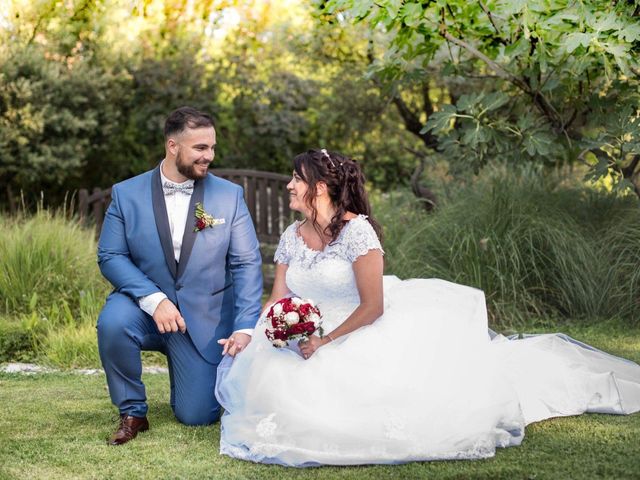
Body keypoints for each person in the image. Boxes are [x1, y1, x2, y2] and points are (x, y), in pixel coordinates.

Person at [214, 148, 640, 466]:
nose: (289, 185)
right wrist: (261, 330)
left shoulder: (357, 234)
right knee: (275, 388)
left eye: (295, 179)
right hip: (305, 335)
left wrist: (324, 341)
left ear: (319, 188)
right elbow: (279, 297)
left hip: (353, 329)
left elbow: (373, 306)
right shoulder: (293, 233)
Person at [97, 106, 262, 445]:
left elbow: (246, 263)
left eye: (212, 147)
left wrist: (245, 325)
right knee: (112, 323)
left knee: (197, 416)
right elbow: (110, 255)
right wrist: (154, 299)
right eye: (200, 148)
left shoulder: (229, 196)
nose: (209, 156)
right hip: (143, 308)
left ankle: (187, 381)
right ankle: (133, 411)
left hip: (202, 317)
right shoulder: (126, 194)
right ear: (172, 146)